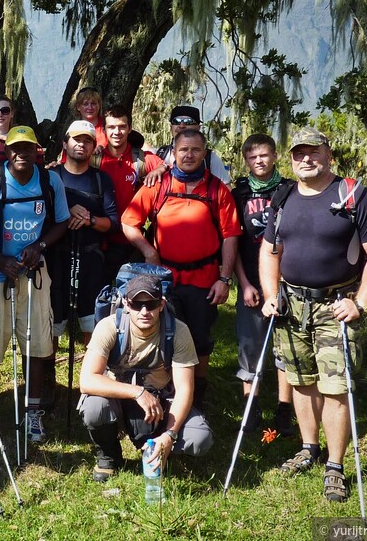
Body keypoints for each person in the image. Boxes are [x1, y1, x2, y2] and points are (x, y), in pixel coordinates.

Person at [259, 127, 367, 502]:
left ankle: (335, 466)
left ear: (328, 155)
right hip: (291, 305)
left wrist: (360, 303)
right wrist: (271, 295)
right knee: (300, 380)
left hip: (337, 305)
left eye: (313, 152)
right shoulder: (283, 198)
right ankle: (308, 447)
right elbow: (270, 251)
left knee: (336, 387)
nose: (306, 159)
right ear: (291, 159)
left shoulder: (355, 196)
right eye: (299, 153)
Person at [121, 128, 242, 410]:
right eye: (183, 150)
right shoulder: (157, 185)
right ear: (173, 153)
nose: (189, 155)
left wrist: (225, 278)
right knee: (163, 334)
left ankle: (196, 397)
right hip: (164, 279)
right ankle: (162, 392)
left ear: (204, 154)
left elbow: (231, 235)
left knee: (199, 339)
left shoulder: (216, 190)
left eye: (195, 150)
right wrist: (149, 251)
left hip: (204, 278)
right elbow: (129, 222)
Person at [0, 125, 70, 443]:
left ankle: (33, 412)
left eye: (28, 149)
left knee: (37, 343)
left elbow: (62, 221)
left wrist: (39, 247)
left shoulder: (50, 181)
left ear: (37, 152)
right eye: (15, 148)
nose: (21, 154)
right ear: (7, 151)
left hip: (34, 275)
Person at [78, 274, 213, 482]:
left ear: (161, 304)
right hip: (118, 399)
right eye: (136, 304)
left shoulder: (178, 332)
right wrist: (137, 392)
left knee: (199, 438)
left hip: (161, 401)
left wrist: (170, 434)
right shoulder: (109, 326)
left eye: (151, 304)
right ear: (126, 303)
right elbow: (87, 380)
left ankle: (159, 447)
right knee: (94, 407)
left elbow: (185, 390)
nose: (144, 311)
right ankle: (108, 455)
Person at [44, 120, 119, 407]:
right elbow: (44, 216)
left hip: (91, 260)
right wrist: (66, 210)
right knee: (52, 326)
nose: (81, 144)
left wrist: (88, 218)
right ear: (65, 144)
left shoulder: (102, 180)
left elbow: (113, 223)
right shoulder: (51, 177)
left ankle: (91, 390)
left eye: (87, 140)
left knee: (93, 326)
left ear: (92, 146)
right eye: (75, 139)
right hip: (57, 259)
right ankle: (48, 385)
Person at [231, 134, 295, 434]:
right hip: (251, 280)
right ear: (246, 160)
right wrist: (243, 283)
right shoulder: (239, 194)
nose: (259, 161)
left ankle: (285, 409)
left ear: (275, 156)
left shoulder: (291, 191)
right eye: (252, 156)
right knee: (250, 344)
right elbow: (233, 242)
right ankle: (251, 407)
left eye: (264, 155)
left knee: (286, 344)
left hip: (287, 279)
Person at [97, 105, 164, 284]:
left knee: (131, 295)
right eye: (111, 127)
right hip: (100, 240)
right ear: (104, 130)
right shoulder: (95, 159)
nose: (117, 132)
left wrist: (160, 169)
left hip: (132, 242)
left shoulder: (141, 159)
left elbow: (169, 168)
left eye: (121, 126)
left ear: (129, 128)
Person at [153, 105, 231, 185]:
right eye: (176, 121)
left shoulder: (210, 158)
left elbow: (226, 190)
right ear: (171, 127)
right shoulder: (160, 153)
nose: (182, 126)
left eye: (188, 122)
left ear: (198, 127)